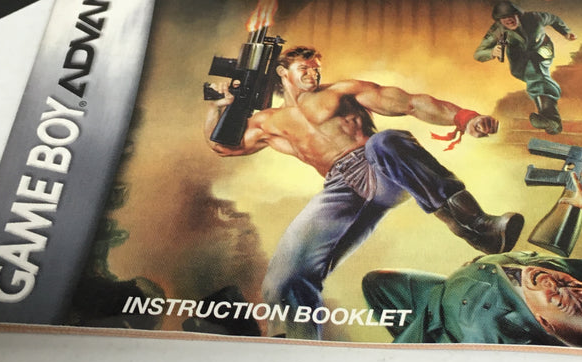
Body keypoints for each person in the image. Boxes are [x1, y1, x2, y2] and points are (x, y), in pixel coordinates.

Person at [204, 45, 524, 340]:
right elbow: (222, 146)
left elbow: (411, 103)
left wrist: (465, 118)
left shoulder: (344, 92)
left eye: (316, 68)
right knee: (284, 279)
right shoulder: (269, 121)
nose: (313, 74)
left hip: (381, 167)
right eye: (305, 68)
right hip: (340, 187)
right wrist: (219, 107)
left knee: (385, 141)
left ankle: (477, 225)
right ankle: (297, 351)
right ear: (282, 72)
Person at [362, 173, 582, 348]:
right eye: (576, 287)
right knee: (377, 283)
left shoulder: (485, 334)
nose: (556, 283)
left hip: (441, 315)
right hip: (453, 285)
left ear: (544, 323)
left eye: (557, 299)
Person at [474, 0, 577, 134]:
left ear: (518, 14)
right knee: (534, 77)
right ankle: (551, 122)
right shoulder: (497, 30)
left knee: (536, 74)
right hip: (519, 61)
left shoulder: (535, 17)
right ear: (499, 21)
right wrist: (492, 52)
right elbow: (478, 54)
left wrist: (566, 32)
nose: (509, 20)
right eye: (504, 18)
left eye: (511, 16)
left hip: (542, 50)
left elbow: (554, 19)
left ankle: (551, 119)